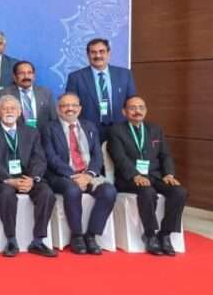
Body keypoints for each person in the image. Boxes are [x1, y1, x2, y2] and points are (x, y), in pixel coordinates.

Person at [108, 96, 187, 256]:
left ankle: (165, 234)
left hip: (155, 175)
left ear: (146, 110)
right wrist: (135, 175)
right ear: (124, 112)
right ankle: (150, 235)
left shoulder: (155, 129)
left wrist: (169, 174)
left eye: (141, 107)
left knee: (180, 192)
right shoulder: (116, 130)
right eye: (132, 108)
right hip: (128, 179)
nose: (137, 111)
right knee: (147, 192)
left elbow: (165, 155)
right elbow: (119, 157)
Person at [41, 93, 116, 255]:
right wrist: (73, 175)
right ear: (58, 109)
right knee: (72, 190)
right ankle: (77, 236)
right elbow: (50, 157)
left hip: (88, 175)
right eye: (65, 106)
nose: (70, 109)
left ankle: (91, 235)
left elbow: (97, 155)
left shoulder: (89, 126)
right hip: (62, 175)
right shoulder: (49, 128)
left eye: (74, 105)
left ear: (80, 109)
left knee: (109, 191)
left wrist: (88, 175)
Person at [0, 95, 57, 257]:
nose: (9, 111)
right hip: (3, 180)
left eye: (13, 108)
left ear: (19, 112)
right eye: (5, 108)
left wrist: (32, 179)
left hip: (28, 178)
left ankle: (38, 241)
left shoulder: (31, 132)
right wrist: (10, 180)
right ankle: (11, 240)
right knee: (6, 194)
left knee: (46, 193)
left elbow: (39, 158)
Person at [66, 38, 137, 140]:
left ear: (109, 53)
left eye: (102, 51)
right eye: (93, 52)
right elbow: (70, 106)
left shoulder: (125, 74)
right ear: (88, 55)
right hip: (88, 132)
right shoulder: (75, 77)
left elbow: (132, 103)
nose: (98, 56)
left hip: (120, 131)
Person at [0, 61, 57, 129]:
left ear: (34, 76)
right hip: (17, 134)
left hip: (42, 134)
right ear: (15, 77)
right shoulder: (5, 93)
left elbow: (53, 119)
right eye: (21, 73)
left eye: (29, 73)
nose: (26, 76)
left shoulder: (45, 93)